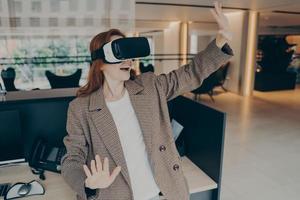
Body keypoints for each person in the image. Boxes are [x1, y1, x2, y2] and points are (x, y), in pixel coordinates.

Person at [61, 2, 233, 200]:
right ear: (100, 64)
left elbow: (191, 73)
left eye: (129, 55)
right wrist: (87, 184)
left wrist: (220, 41)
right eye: (120, 54)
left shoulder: (150, 87)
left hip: (161, 193)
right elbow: (72, 159)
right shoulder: (80, 108)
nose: (128, 61)